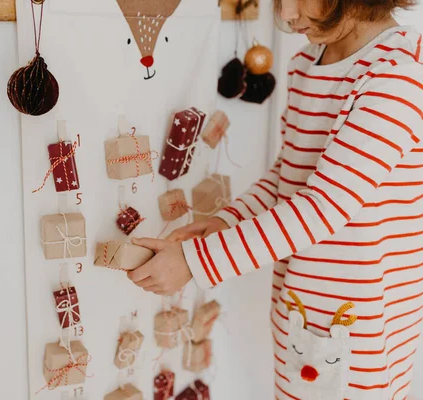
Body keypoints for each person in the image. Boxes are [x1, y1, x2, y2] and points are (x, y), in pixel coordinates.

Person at [127, 0, 423, 399]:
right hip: (297, 310)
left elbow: (321, 208)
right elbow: (289, 177)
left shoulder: (398, 77)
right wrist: (226, 222)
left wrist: (197, 262)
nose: (284, 14)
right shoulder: (304, 64)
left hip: (359, 329)